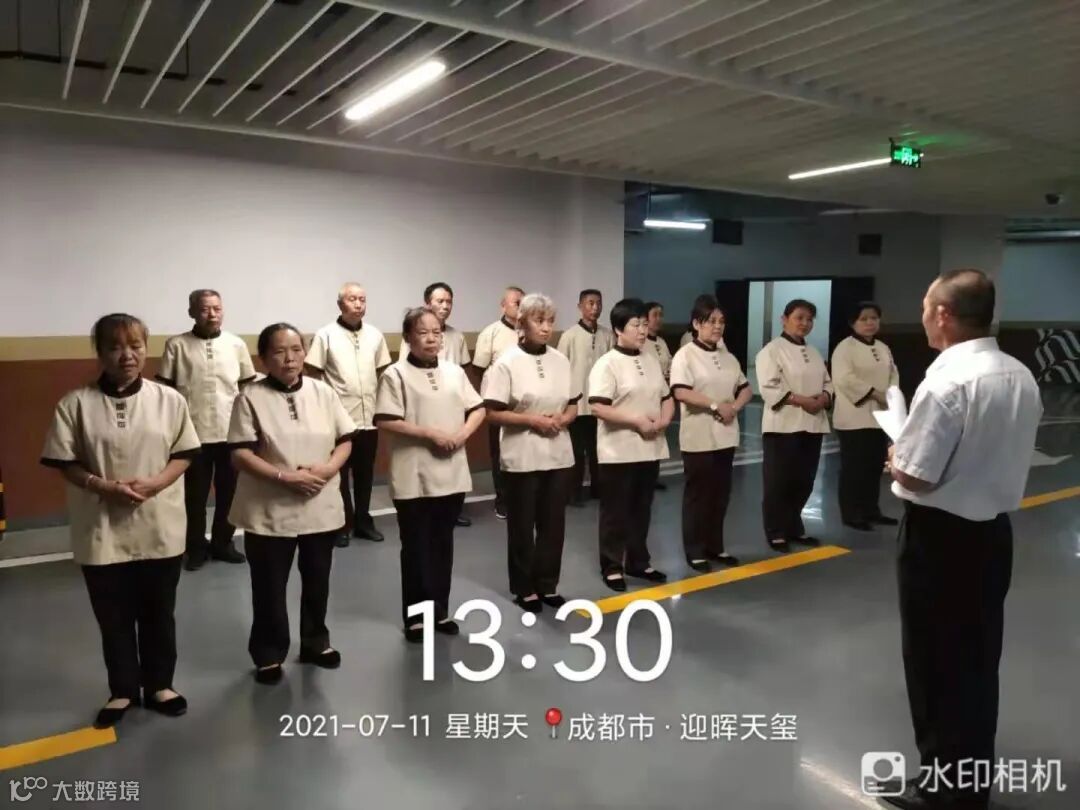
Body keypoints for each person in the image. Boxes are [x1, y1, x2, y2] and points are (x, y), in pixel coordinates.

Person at [884, 270, 1041, 810]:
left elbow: (916, 476)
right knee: (976, 662)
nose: (923, 317)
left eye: (925, 308)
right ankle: (971, 783)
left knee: (933, 663)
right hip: (992, 536)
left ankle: (940, 789)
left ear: (944, 314)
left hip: (938, 540)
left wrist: (896, 458)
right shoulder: (1019, 374)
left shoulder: (948, 383)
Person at [41, 314, 201, 728]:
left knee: (159, 611)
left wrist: (155, 483)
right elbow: (64, 460)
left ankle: (160, 684)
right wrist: (101, 485)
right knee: (112, 614)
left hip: (158, 521)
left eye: (135, 346)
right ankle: (122, 690)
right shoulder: (75, 404)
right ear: (99, 352)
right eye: (114, 347)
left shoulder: (170, 400)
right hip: (102, 525)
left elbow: (184, 453)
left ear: (146, 348)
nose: (126, 355)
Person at [228, 323, 354, 686]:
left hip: (319, 500)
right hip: (270, 505)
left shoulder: (323, 392)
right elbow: (240, 453)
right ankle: (268, 652)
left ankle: (315, 642)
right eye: (280, 351)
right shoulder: (250, 397)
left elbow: (345, 439)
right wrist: (285, 477)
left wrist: (328, 469)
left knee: (317, 579)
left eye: (297, 349)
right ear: (264, 358)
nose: (290, 358)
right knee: (269, 585)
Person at [375, 307, 486, 642]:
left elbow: (478, 408)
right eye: (422, 332)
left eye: (436, 332)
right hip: (414, 472)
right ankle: (416, 616)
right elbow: (386, 419)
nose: (431, 338)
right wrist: (430, 434)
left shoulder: (454, 371)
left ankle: (440, 610)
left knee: (442, 544)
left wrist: (462, 435)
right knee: (416, 546)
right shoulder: (395, 374)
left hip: (451, 470)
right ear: (408, 337)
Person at [482, 293, 579, 612]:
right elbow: (492, 412)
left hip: (558, 452)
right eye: (539, 321)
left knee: (553, 525)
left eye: (550, 321)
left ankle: (548, 584)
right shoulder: (506, 362)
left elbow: (573, 404)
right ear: (522, 323)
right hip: (522, 454)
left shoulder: (561, 360)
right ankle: (524, 588)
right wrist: (531, 420)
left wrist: (563, 419)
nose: (546, 327)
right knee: (522, 525)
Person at [158, 289, 256, 570]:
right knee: (194, 497)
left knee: (230, 493)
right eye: (204, 309)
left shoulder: (235, 344)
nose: (212, 314)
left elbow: (248, 388)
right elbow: (166, 392)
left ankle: (223, 543)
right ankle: (195, 548)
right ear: (192, 312)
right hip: (192, 435)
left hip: (231, 433)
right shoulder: (176, 345)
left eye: (217, 308)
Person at [588, 298, 673, 591]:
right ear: (618, 329)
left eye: (644, 324)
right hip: (618, 450)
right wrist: (636, 421)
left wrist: (664, 420)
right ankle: (612, 566)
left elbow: (666, 396)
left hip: (650, 447)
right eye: (635, 325)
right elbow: (598, 407)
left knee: (642, 508)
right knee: (616, 511)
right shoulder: (607, 364)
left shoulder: (650, 359)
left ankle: (638, 561)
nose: (642, 330)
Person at [670, 295, 753, 572]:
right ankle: (694, 549)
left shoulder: (728, 357)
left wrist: (734, 407)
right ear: (696, 324)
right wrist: (716, 405)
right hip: (699, 436)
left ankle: (715, 546)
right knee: (699, 495)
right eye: (711, 321)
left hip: (725, 434)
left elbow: (745, 389)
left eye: (721, 321)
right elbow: (681, 391)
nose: (717, 326)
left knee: (720, 494)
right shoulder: (685, 355)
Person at [305, 283, 391, 547]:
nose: (358, 304)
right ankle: (342, 523)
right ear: (340, 304)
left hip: (368, 419)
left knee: (365, 474)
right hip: (338, 419)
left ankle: (364, 520)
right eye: (352, 299)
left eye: (362, 299)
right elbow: (313, 373)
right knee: (338, 475)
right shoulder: (326, 335)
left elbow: (382, 372)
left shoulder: (375, 335)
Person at [755, 299, 833, 552]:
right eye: (799, 317)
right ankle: (775, 530)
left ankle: (793, 526)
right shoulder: (771, 351)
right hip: (783, 427)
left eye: (809, 319)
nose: (805, 323)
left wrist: (824, 398)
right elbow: (770, 387)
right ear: (784, 319)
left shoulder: (814, 352)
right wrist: (804, 401)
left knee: (804, 481)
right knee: (779, 482)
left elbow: (828, 382)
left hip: (812, 424)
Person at [400, 282, 473, 528]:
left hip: (451, 400)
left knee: (444, 530)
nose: (445, 306)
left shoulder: (456, 339)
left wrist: (463, 432)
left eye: (448, 301)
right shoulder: (399, 370)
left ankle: (454, 509)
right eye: (439, 301)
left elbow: (472, 395)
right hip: (422, 408)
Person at [830, 301, 900, 531]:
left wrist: (890, 394)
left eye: (874, 318)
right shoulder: (845, 348)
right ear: (853, 323)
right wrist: (874, 393)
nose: (870, 323)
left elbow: (893, 373)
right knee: (855, 467)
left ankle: (871, 510)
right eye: (864, 319)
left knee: (874, 465)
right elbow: (844, 379)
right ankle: (852, 513)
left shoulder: (883, 347)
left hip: (880, 416)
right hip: (854, 418)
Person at [557, 289, 613, 506]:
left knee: (599, 450)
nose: (595, 307)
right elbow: (560, 368)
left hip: (600, 404)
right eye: (590, 303)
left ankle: (599, 489)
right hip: (577, 405)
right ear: (580, 306)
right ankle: (574, 492)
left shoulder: (608, 335)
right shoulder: (569, 336)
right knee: (576, 452)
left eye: (598, 303)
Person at [472, 286, 524, 520]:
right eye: (516, 303)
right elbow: (478, 369)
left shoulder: (529, 332)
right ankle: (502, 499)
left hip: (523, 404)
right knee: (500, 453)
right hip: (498, 404)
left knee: (521, 451)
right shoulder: (491, 333)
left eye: (524, 303)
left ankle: (521, 499)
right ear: (503, 306)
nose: (520, 307)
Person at [644, 301, 674, 491]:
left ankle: (653, 476)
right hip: (646, 396)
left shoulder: (661, 342)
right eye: (655, 315)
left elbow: (669, 363)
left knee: (659, 437)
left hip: (662, 396)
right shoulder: (641, 342)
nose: (658, 319)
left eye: (660, 315)